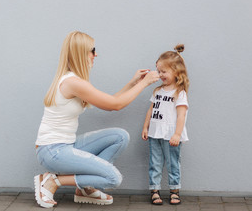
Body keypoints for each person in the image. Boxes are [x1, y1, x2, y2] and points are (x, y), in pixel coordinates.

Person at [34, 31, 160, 208]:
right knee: (113, 178)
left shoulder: (74, 80)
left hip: (65, 146)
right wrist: (144, 83)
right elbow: (115, 105)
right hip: (53, 151)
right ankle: (52, 181)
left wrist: (132, 83)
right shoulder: (73, 83)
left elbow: (111, 101)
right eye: (92, 50)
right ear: (81, 53)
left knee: (120, 136)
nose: (96, 54)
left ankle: (85, 188)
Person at [141, 44, 190, 205]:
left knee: (172, 162)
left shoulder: (179, 93)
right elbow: (151, 110)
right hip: (155, 133)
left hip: (171, 135)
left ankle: (174, 190)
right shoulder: (157, 91)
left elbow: (182, 115)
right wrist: (145, 127)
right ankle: (154, 190)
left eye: (164, 71)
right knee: (155, 162)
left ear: (176, 72)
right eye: (159, 71)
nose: (160, 74)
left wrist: (177, 134)